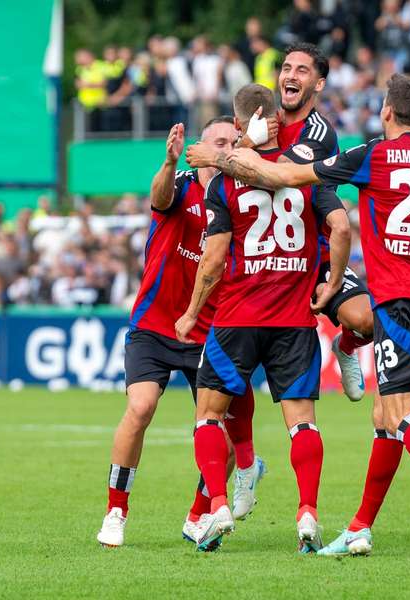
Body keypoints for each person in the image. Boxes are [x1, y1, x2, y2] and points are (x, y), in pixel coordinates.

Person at [225, 74, 410, 560]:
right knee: (382, 415)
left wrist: (223, 156)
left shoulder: (374, 154)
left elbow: (286, 177)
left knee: (401, 414)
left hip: (396, 302)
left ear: (387, 112)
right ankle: (359, 527)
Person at [174, 84, 351, 552]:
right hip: (294, 319)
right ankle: (308, 514)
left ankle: (216, 507)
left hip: (237, 316)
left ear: (238, 125)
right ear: (277, 120)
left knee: (208, 417)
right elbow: (340, 225)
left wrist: (192, 313)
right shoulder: (303, 174)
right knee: (303, 424)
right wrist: (331, 284)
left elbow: (212, 261)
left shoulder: (225, 183)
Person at [96, 118, 263, 550]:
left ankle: (197, 516)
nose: (226, 147)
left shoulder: (243, 196)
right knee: (141, 407)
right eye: (218, 141)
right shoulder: (183, 183)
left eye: (233, 141)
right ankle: (116, 510)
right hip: (155, 325)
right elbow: (159, 197)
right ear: (200, 147)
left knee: (223, 439)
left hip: (210, 333)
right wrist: (169, 163)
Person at [187, 43, 373, 402]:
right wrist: (243, 141)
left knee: (364, 319)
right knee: (229, 382)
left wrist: (222, 155)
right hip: (259, 253)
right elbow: (226, 179)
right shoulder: (259, 118)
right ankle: (245, 457)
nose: (290, 75)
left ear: (318, 85)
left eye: (302, 71)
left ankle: (347, 347)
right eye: (286, 68)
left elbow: (276, 176)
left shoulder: (318, 133)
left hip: (312, 251)